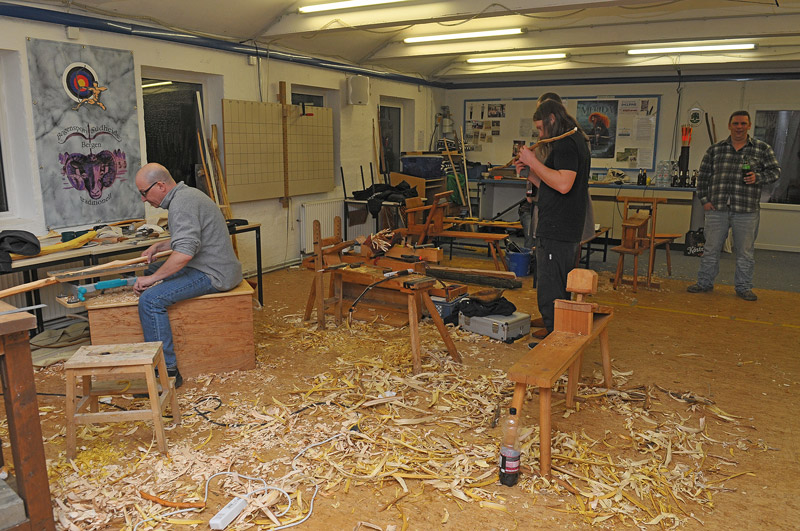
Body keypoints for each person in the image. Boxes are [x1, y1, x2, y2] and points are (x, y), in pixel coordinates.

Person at [133, 163, 243, 387]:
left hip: (214, 273)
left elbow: (184, 254)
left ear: (160, 186)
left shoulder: (182, 203)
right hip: (212, 265)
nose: (144, 199)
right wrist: (160, 246)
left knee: (150, 300)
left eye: (144, 193)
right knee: (152, 270)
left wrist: (152, 280)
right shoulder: (186, 195)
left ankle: (168, 373)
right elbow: (189, 238)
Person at [515, 100, 590, 338]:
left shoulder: (567, 143)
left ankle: (555, 333)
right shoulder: (570, 141)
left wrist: (532, 161)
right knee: (554, 280)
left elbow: (564, 184)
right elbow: (552, 184)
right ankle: (553, 322)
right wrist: (529, 173)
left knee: (551, 283)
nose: (539, 134)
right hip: (560, 224)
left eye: (540, 128)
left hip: (559, 226)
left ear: (552, 119)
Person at [687, 110, 780, 301]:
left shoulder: (762, 149)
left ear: (749, 125)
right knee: (710, 249)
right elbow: (703, 177)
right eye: (736, 123)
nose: (739, 127)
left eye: (743, 123)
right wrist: (705, 200)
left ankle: (743, 287)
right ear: (729, 126)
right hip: (717, 209)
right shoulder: (715, 150)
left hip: (746, 210)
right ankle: (704, 283)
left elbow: (775, 172)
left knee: (745, 252)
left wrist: (758, 177)